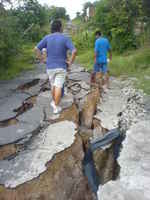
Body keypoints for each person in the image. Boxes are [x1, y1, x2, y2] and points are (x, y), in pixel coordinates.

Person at [35, 20, 77, 114]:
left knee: (53, 85)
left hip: (50, 67)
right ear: (60, 27)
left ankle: (54, 102)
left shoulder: (47, 38)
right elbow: (74, 51)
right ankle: (56, 107)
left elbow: (36, 48)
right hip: (61, 66)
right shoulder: (65, 38)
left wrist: (42, 59)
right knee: (58, 86)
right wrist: (70, 62)